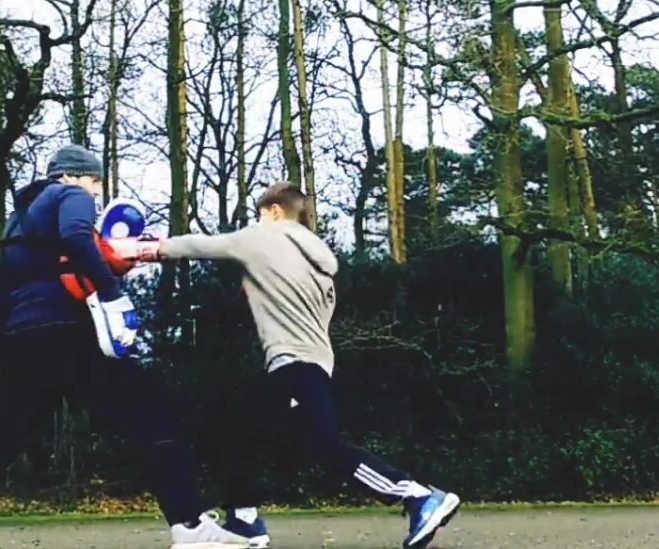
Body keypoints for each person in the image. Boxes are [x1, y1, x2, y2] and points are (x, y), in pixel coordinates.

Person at [0, 144, 248, 549]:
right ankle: (189, 525)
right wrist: (111, 295)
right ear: (72, 175)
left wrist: (4, 346)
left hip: (22, 339)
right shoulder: (70, 195)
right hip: (69, 331)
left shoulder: (15, 223)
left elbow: (5, 291)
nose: (95, 192)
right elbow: (76, 234)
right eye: (94, 182)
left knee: (0, 443)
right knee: (152, 415)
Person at [137, 182, 460, 549]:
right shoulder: (318, 263)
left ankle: (417, 496)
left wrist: (144, 249)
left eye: (260, 214)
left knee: (321, 446)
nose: (256, 222)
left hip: (292, 363)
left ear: (274, 211)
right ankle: (244, 519)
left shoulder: (262, 236)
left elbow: (202, 245)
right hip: (313, 363)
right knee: (239, 430)